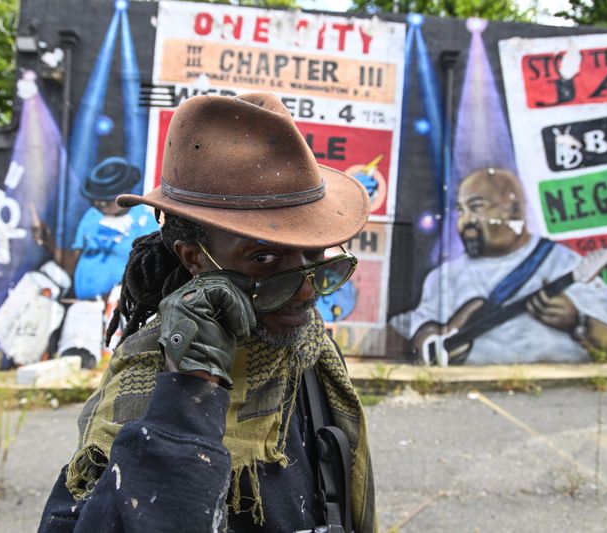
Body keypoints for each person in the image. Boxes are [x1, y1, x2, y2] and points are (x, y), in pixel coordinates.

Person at [38, 93, 377, 532]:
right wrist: (191, 388)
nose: (308, 288)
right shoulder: (148, 381)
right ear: (195, 258)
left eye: (315, 255)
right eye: (264, 258)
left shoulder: (311, 354)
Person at [390, 167, 607, 365]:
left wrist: (579, 323)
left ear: (513, 208)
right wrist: (428, 338)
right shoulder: (444, 276)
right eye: (461, 210)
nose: (466, 221)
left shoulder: (565, 265)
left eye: (476, 207)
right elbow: (411, 333)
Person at [33, 156, 159, 300]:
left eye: (107, 198)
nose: (100, 203)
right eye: (97, 197)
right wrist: (49, 243)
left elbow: (150, 273)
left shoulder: (147, 223)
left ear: (127, 192)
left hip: (122, 304)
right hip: (84, 305)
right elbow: (75, 262)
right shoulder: (91, 217)